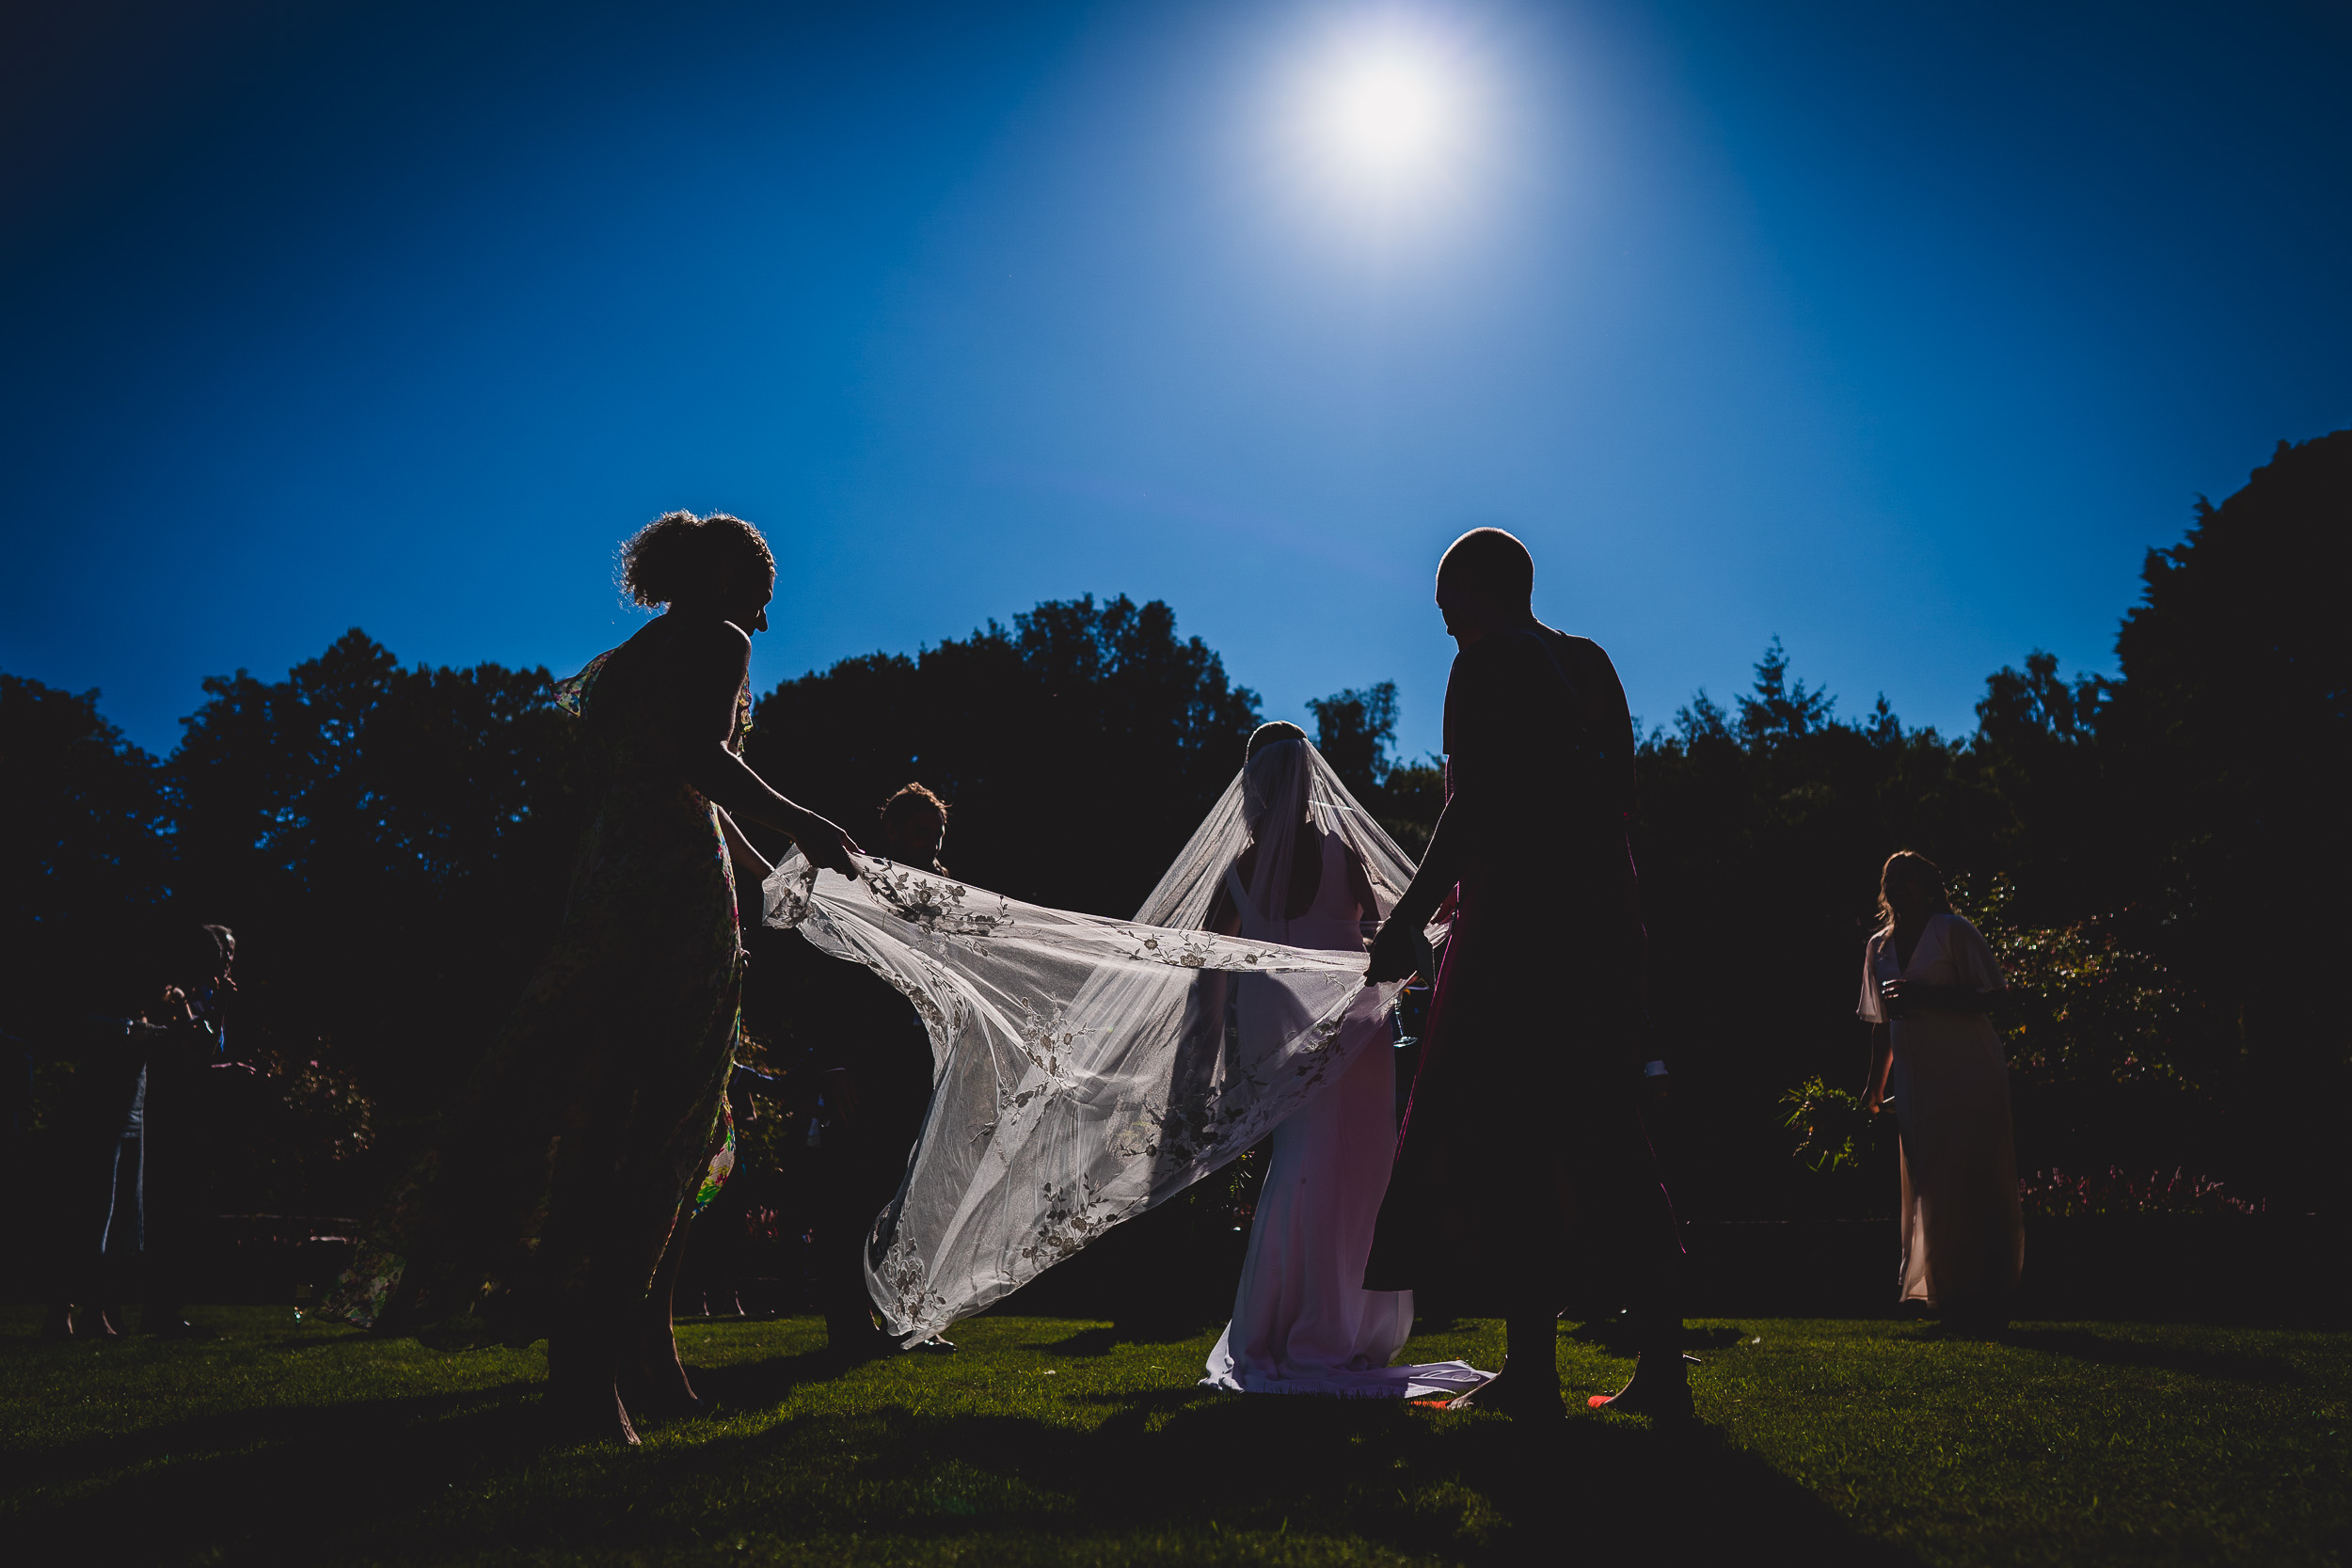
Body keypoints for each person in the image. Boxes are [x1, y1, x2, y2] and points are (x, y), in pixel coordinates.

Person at [336, 510, 857, 1445]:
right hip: (669, 902)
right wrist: (807, 822)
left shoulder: (627, 661)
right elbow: (704, 761)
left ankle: (637, 1358)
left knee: (603, 1121)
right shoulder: (719, 637)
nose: (765, 625)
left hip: (604, 895)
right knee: (657, 1138)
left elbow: (682, 783)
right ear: (727, 584)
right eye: (762, 599)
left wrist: (775, 876)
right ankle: (587, 1378)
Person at [1365, 527, 1689, 1420]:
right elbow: (1621, 794)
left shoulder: (1484, 664)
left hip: (1521, 926)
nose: (1443, 626)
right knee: (1612, 1135)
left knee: (1511, 1135)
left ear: (1480, 586)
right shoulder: (1589, 662)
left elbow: (1472, 805)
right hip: (1605, 921)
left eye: (1447, 602)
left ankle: (1535, 1371)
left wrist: (1404, 918)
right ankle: (1663, 1368)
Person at [1199, 723, 1488, 1400]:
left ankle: (1294, 1324)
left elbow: (1208, 973)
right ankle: (1347, 1327)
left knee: (1303, 1169)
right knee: (1360, 1174)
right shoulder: (1340, 852)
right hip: (1358, 1041)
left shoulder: (1238, 872)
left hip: (1285, 1048)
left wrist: (1213, 1052)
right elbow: (1396, 926)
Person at [803, 782, 958, 1358]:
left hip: (920, 1060)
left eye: (938, 835)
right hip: (864, 1060)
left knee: (913, 1194)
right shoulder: (855, 884)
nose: (931, 845)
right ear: (892, 831)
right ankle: (848, 1325)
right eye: (922, 833)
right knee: (855, 1195)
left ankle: (905, 1317)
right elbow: (827, 976)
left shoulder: (942, 892)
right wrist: (832, 1062)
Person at [42, 923, 238, 1339]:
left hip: (133, 1109)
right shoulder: (134, 982)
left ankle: (96, 1310)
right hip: (99, 1105)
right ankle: (61, 1310)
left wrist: (210, 1005)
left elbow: (196, 1044)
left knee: (121, 1213)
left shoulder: (176, 992)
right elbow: (89, 1026)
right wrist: (135, 1031)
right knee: (90, 1209)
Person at [1859, 850, 2023, 1329]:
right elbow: (1879, 1026)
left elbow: (1996, 995)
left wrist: (1926, 995)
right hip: (1915, 1078)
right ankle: (1946, 1291)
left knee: (1972, 1173)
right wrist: (1873, 1089)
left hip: (1969, 1070)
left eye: (1905, 878)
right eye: (1889, 879)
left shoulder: (1953, 931)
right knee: (1929, 1179)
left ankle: (1988, 1290)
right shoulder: (1878, 948)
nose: (1896, 887)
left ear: (1928, 886)